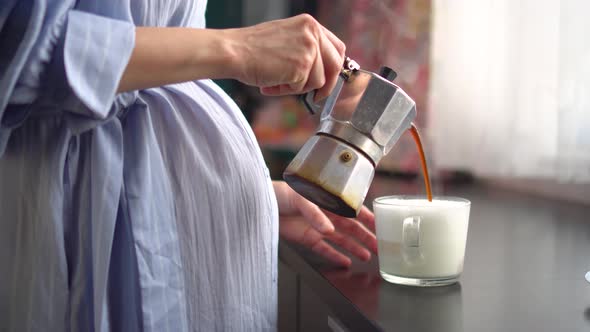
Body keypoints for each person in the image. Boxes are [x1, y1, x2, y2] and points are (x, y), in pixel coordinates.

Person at [0, 1, 377, 331]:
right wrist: (240, 47)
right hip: (67, 212)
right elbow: (23, 47)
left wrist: (250, 197)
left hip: (201, 239)